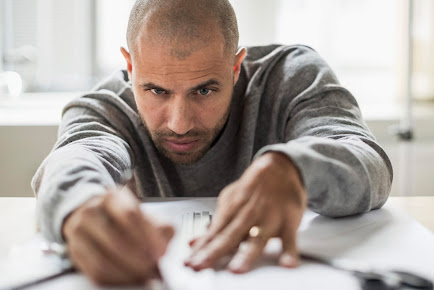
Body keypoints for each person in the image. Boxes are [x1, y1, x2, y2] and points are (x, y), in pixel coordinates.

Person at [32, 0, 393, 285]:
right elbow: (73, 159)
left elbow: (368, 160)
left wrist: (295, 167)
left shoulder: (292, 76)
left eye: (204, 89)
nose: (179, 123)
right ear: (130, 67)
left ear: (236, 67)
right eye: (155, 90)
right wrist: (79, 206)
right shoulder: (106, 108)